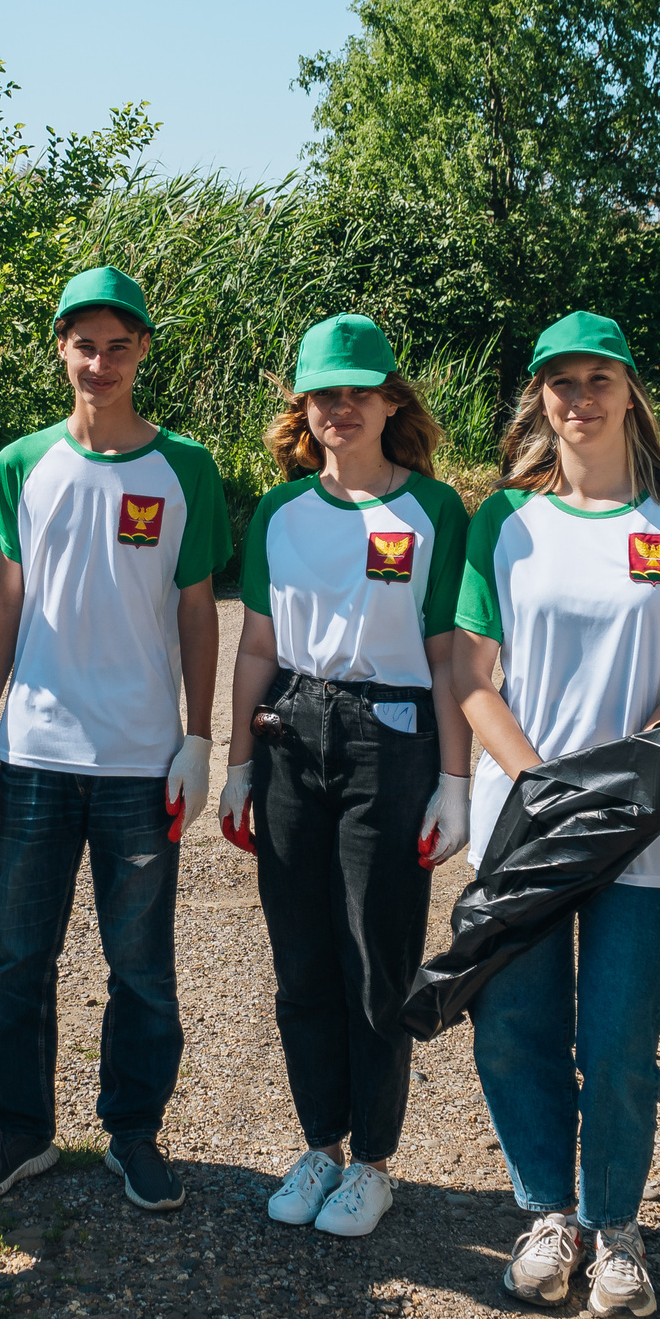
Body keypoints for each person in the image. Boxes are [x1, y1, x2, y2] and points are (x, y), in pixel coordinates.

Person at [447, 310, 660, 1319]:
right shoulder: (503, 523)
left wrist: (619, 775)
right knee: (516, 1026)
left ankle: (617, 1231)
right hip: (525, 818)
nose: (579, 396)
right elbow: (472, 674)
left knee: (618, 1040)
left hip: (642, 817)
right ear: (539, 398)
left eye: (597, 378)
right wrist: (540, 782)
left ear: (628, 391)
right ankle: (547, 1216)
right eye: (559, 381)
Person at [0, 266, 229, 1214]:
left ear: (143, 350)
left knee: (141, 965)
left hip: (141, 757)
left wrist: (199, 737)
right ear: (60, 348)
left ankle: (133, 1132)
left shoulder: (185, 465)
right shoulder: (21, 462)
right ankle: (22, 1130)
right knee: (19, 958)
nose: (100, 361)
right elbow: (6, 597)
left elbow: (198, 608)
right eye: (84, 344)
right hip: (35, 751)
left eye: (118, 345)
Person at [216, 314, 473, 1240]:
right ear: (305, 407)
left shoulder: (435, 510)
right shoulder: (281, 514)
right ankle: (319, 1143)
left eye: (360, 391)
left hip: (394, 735)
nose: (342, 408)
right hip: (291, 725)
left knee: (377, 957)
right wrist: (236, 762)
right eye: (325, 393)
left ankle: (373, 1160)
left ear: (391, 399)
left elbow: (448, 654)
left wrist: (455, 781)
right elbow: (253, 645)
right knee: (301, 958)